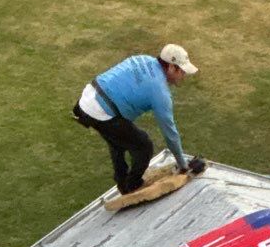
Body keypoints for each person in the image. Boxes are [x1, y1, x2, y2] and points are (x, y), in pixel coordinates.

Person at [73, 43, 205, 194]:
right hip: (101, 111)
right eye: (182, 71)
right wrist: (183, 165)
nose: (184, 76)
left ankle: (122, 183)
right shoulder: (160, 92)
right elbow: (170, 133)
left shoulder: (143, 59)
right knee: (144, 146)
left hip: (87, 99)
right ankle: (133, 186)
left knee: (118, 139)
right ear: (171, 67)